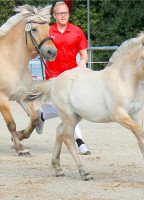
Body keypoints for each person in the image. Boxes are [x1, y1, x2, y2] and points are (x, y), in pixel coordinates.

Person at [36, 1, 90, 155]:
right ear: (54, 15)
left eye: (65, 13)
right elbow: (39, 49)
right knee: (68, 109)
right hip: (53, 77)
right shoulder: (48, 31)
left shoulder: (77, 31)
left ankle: (42, 115)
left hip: (72, 77)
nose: (63, 15)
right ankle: (80, 142)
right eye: (60, 13)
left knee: (67, 109)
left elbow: (83, 54)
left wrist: (83, 63)